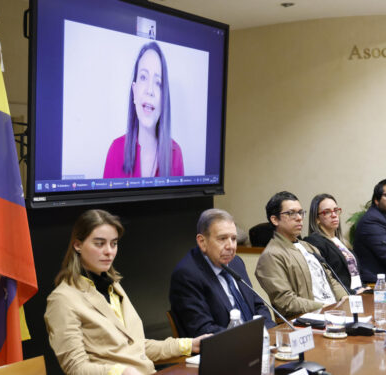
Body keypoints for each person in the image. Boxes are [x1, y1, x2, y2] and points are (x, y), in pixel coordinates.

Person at [45, 209, 206, 375]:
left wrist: (191, 344)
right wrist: (119, 372)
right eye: (99, 244)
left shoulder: (113, 286)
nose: (109, 251)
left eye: (113, 243)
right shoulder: (62, 299)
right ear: (78, 245)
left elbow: (137, 348)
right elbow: (76, 368)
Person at [169, 208, 275, 337]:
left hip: (258, 344)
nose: (230, 246)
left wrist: (269, 333)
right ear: (202, 242)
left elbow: (258, 306)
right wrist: (248, 338)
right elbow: (203, 329)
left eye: (234, 239)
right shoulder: (187, 275)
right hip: (222, 350)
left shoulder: (236, 262)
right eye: (222, 238)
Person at [255, 191, 348, 317]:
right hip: (308, 321)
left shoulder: (308, 246)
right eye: (291, 213)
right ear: (275, 219)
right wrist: (324, 306)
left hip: (333, 312)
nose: (299, 218)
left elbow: (331, 280)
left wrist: (345, 299)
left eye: (300, 212)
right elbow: (286, 302)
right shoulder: (271, 256)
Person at [104, 42, 184, 178]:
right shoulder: (115, 150)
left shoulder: (175, 154)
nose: (150, 90)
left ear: (164, 98)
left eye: (158, 82)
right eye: (143, 77)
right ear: (134, 91)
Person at [303, 193, 366, 293]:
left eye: (336, 210)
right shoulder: (314, 241)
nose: (334, 215)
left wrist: (364, 288)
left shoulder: (341, 241)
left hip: (358, 293)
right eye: (327, 212)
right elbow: (326, 279)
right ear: (317, 219)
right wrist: (352, 292)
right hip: (341, 297)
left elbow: (354, 274)